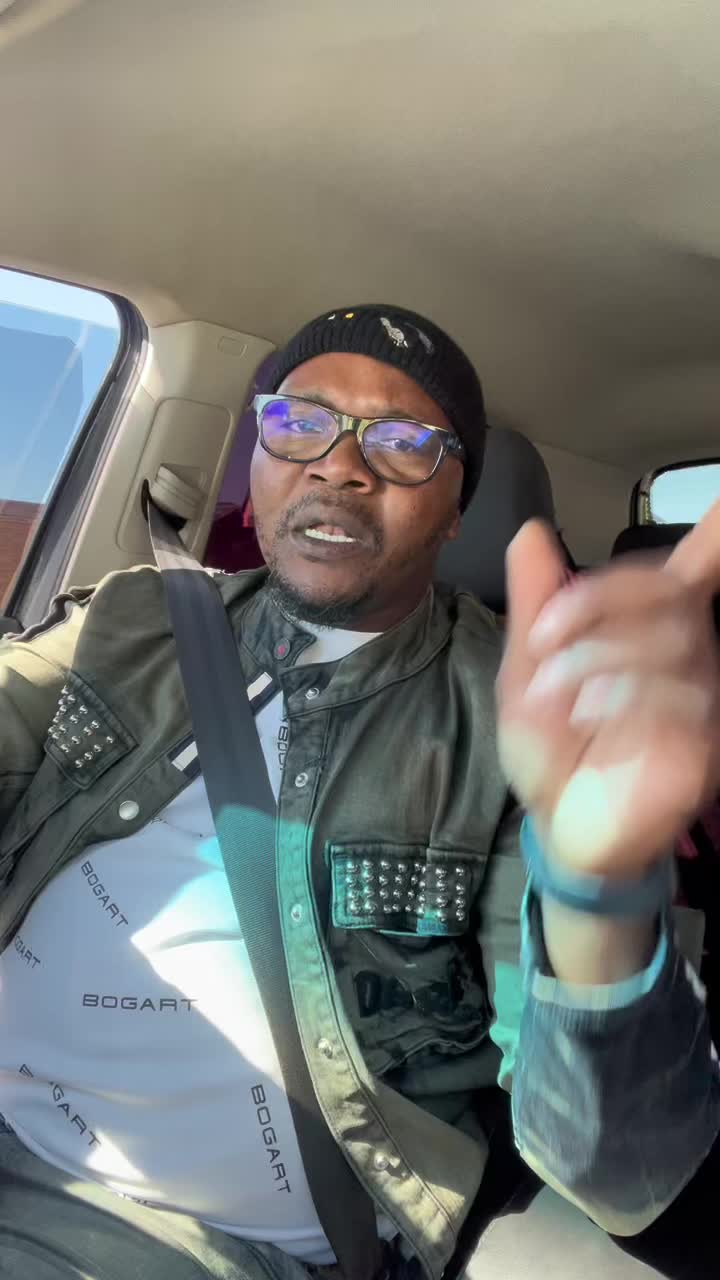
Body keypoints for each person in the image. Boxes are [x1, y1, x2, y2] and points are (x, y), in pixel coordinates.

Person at [0, 302, 718, 1280]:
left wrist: (598, 885)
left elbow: (619, 1170)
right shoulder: (133, 616)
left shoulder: (517, 713)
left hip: (170, 1234)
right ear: (258, 458)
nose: (340, 465)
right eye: (300, 422)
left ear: (458, 509)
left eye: (404, 442)